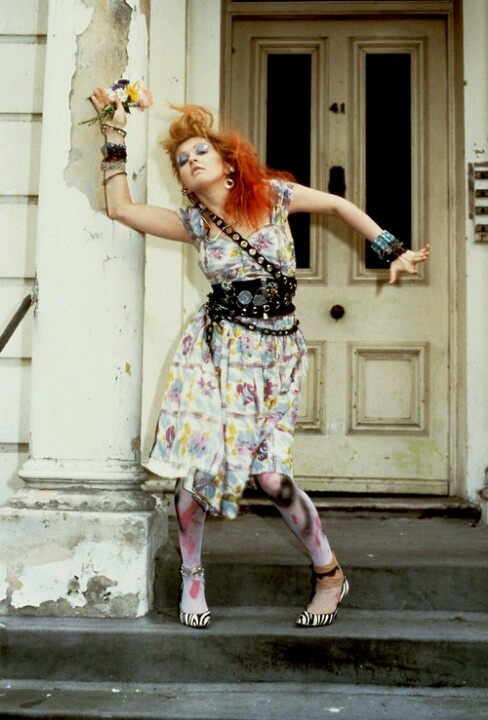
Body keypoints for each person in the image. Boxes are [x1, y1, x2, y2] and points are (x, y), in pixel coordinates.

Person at [90, 89, 430, 630]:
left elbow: (340, 206)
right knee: (197, 469)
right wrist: (113, 131)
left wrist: (392, 249)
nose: (190, 160)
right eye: (181, 160)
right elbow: (121, 209)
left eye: (200, 151)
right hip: (216, 350)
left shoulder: (273, 197)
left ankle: (329, 574)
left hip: (278, 353)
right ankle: (193, 575)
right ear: (181, 180)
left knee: (270, 477)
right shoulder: (196, 224)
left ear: (228, 163)